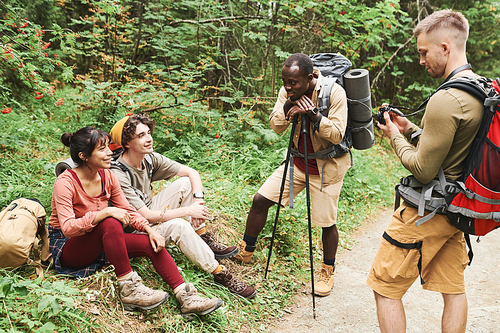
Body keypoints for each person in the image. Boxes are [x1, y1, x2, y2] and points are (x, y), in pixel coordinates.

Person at [366, 10, 483, 332]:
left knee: (384, 287)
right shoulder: (478, 89)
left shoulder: (447, 99)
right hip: (457, 210)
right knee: (453, 290)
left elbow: (423, 169)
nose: (421, 60)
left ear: (445, 47)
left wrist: (392, 137)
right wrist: (409, 129)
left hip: (425, 213)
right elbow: (455, 150)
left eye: (423, 52)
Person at [49, 126, 223, 315]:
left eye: (108, 147)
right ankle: (129, 289)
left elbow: (128, 210)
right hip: (70, 248)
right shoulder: (65, 182)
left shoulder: (107, 175)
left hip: (102, 241)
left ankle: (186, 297)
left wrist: (150, 230)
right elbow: (67, 228)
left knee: (151, 242)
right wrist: (104, 213)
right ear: (84, 156)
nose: (109, 153)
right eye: (102, 149)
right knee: (110, 220)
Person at [232, 53, 351, 297]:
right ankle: (245, 251)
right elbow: (276, 127)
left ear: (310, 78)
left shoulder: (335, 93)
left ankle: (327, 270)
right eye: (285, 81)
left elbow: (338, 134)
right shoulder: (287, 92)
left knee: (326, 222)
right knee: (260, 200)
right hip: (297, 162)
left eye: (293, 83)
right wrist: (288, 107)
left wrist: (314, 115)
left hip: (327, 168)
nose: (288, 86)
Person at [109, 115, 256, 299]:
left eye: (148, 132)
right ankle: (220, 273)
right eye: (141, 136)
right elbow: (146, 215)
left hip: (149, 212)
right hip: (135, 229)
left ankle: (202, 237)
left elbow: (191, 172)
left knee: (185, 183)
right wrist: (188, 211)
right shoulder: (119, 173)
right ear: (127, 143)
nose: (149, 138)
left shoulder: (148, 159)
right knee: (180, 224)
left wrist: (198, 203)